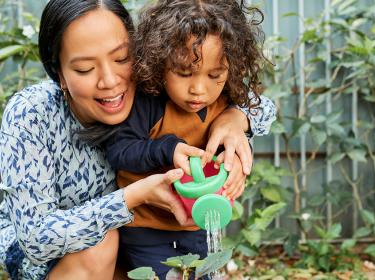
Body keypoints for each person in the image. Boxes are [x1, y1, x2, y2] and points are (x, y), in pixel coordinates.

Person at [0, 0, 275, 280]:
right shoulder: (33, 113)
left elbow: (257, 105)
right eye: (84, 69)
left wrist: (234, 121)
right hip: (62, 258)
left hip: (134, 246)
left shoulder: (155, 83)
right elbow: (35, 240)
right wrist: (133, 197)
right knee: (101, 245)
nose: (110, 81)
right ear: (58, 71)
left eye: (121, 58)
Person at [100, 0, 276, 278]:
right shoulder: (149, 103)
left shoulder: (229, 102)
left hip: (200, 224)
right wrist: (168, 149)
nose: (198, 89)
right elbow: (119, 151)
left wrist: (236, 165)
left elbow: (263, 113)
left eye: (215, 75)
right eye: (183, 73)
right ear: (159, 61)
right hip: (147, 228)